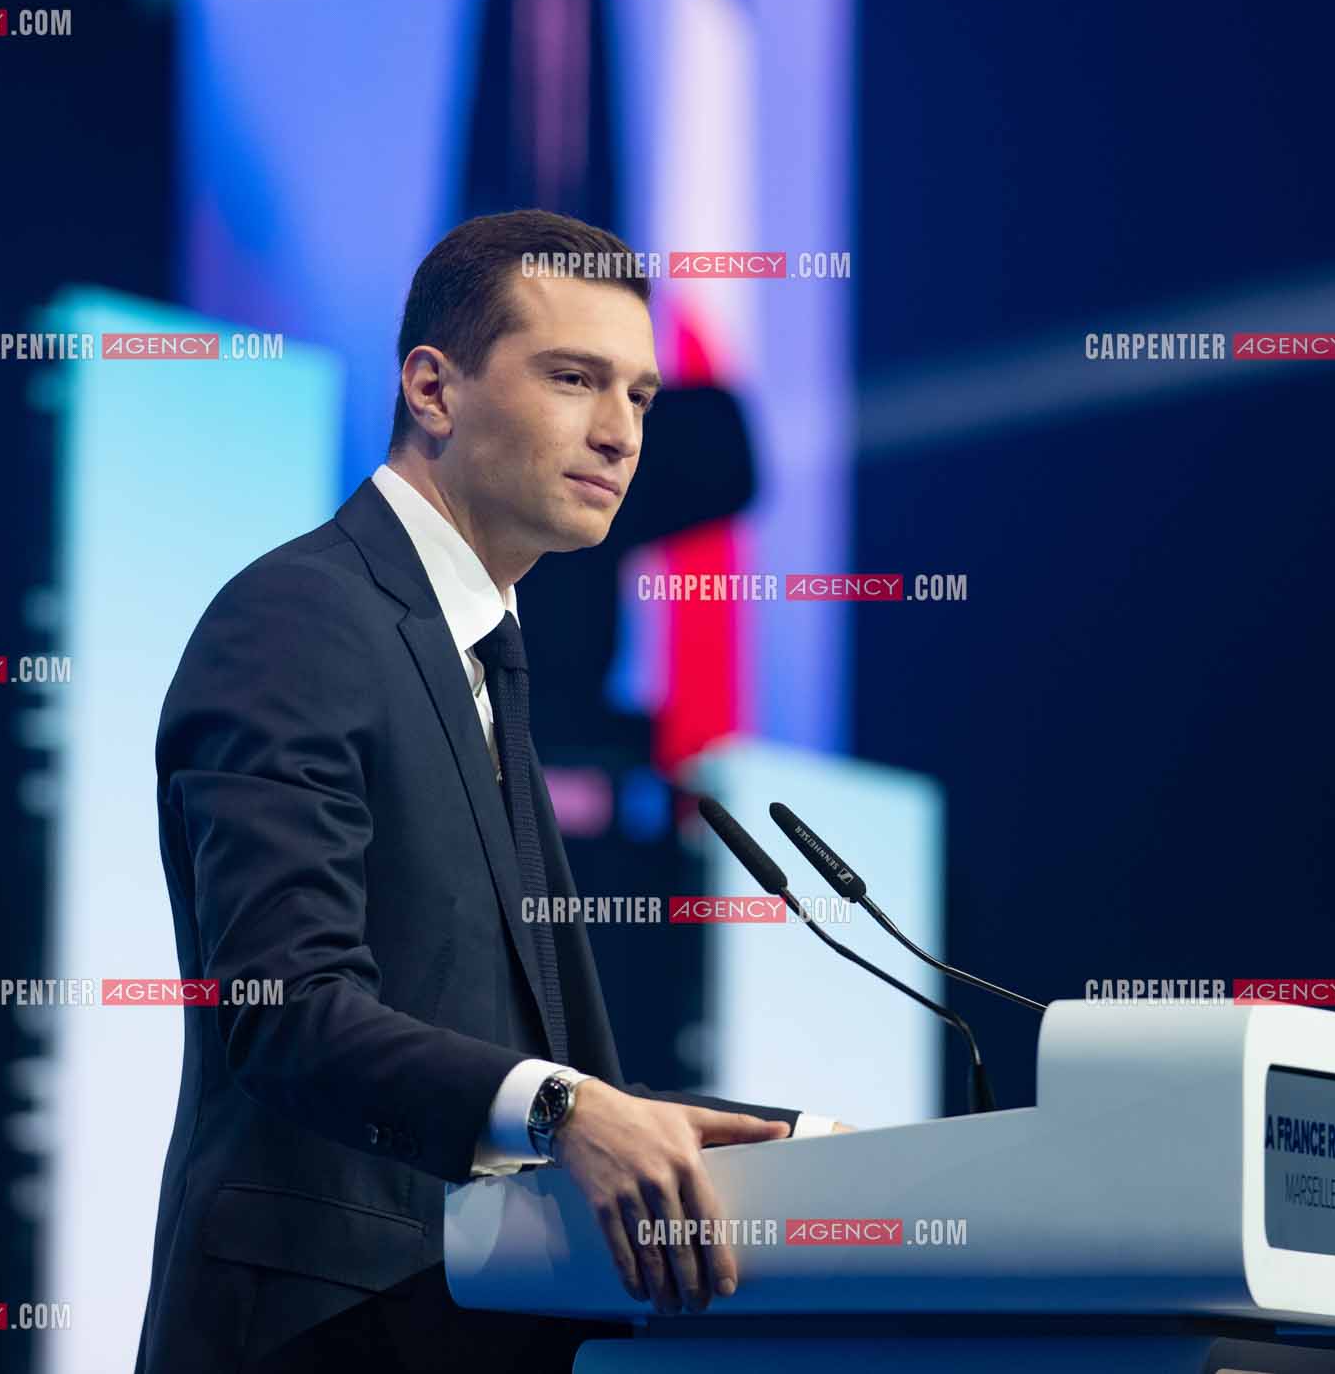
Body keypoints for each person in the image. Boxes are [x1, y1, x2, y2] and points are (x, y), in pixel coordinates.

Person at [134, 210, 843, 1374]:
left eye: (640, 397)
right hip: (320, 1340)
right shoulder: (303, 618)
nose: (620, 433)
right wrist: (570, 1112)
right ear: (432, 389)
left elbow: (514, 1052)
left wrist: (798, 1148)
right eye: (574, 379)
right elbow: (285, 1005)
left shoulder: (484, 663)